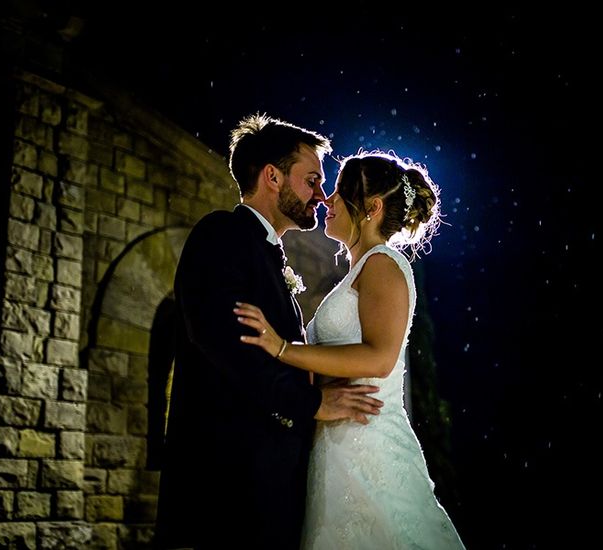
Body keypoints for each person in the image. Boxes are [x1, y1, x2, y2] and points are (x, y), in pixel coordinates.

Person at [155, 115, 384, 550]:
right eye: (312, 179)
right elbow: (228, 346)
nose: (321, 194)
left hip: (264, 491)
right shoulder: (221, 235)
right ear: (272, 177)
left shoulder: (266, 254)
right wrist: (312, 402)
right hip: (223, 494)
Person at [235, 151, 465, 549]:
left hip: (367, 442)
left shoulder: (383, 264)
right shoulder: (357, 273)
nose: (327, 200)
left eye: (340, 192)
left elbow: (378, 358)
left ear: (372, 208)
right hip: (335, 444)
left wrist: (283, 349)